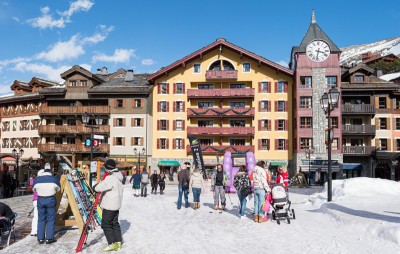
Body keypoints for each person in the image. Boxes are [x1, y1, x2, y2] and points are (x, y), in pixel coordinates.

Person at [93, 159, 124, 252]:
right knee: (114, 223)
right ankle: (118, 242)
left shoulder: (111, 178)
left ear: (108, 167)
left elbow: (100, 187)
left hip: (110, 205)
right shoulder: (118, 176)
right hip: (116, 204)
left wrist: (95, 187)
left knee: (106, 225)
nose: (105, 168)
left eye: (105, 167)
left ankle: (112, 243)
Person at [33, 163, 61, 244]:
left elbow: (34, 189)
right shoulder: (54, 179)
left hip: (40, 199)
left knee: (41, 219)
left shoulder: (37, 179)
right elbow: (58, 189)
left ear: (44, 170)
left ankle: (40, 238)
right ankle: (49, 238)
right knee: (51, 219)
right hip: (50, 199)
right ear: (50, 170)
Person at [30, 170, 44, 236]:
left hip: (35, 200)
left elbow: (31, 184)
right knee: (42, 216)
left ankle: (33, 231)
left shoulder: (35, 180)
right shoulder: (43, 181)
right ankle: (40, 230)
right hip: (41, 199)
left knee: (35, 216)